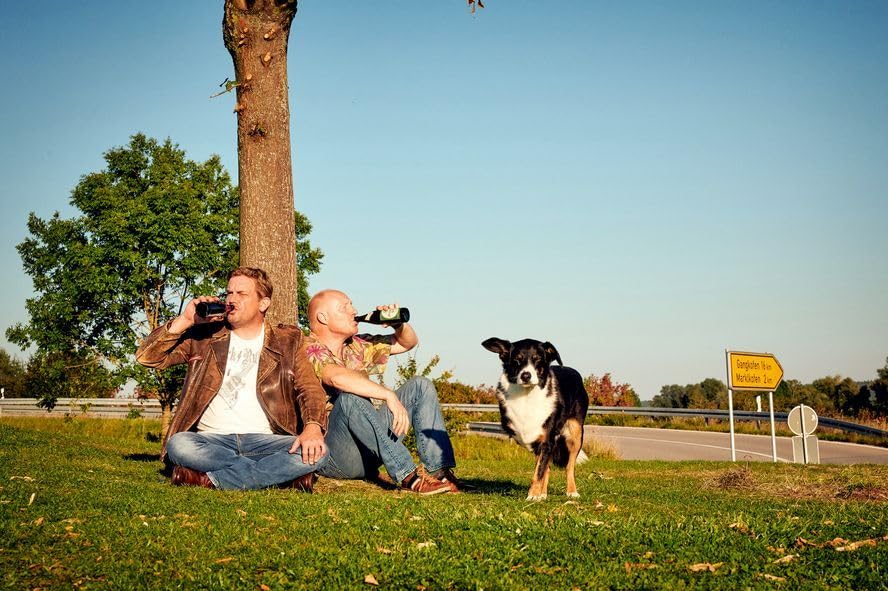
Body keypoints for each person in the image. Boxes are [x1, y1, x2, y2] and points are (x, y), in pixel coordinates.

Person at [136, 267, 329, 491]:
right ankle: (276, 475)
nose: (232, 299)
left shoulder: (288, 341)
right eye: (229, 293)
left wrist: (313, 428)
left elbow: (310, 389)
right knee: (179, 445)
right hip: (210, 440)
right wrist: (185, 320)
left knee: (319, 452)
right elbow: (147, 358)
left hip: (265, 441)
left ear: (263, 303)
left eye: (241, 294)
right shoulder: (204, 336)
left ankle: (210, 479)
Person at [304, 289, 467, 495]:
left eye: (352, 305)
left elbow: (407, 342)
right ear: (323, 317)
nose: (354, 311)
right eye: (344, 307)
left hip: (369, 448)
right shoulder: (306, 346)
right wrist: (388, 394)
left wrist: (398, 325)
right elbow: (334, 376)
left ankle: (439, 473)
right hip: (334, 456)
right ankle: (409, 476)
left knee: (420, 385)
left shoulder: (358, 345)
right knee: (349, 399)